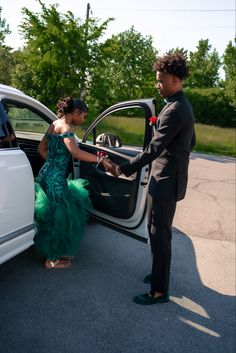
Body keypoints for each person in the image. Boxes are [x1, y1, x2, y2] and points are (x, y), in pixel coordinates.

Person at [105, 53, 196, 304]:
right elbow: (191, 141)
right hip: (165, 178)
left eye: (161, 80)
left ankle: (159, 291)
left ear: (176, 80)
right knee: (156, 232)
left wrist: (122, 169)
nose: (157, 84)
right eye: (157, 80)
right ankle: (159, 274)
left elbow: (153, 150)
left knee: (160, 235)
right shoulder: (180, 105)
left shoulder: (175, 109)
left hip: (166, 181)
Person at [34, 96, 110, 269]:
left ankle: (51, 253)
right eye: (83, 115)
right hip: (55, 179)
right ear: (75, 112)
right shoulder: (66, 128)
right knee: (60, 216)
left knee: (53, 213)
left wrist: (53, 164)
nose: (84, 119)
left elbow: (41, 149)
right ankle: (51, 260)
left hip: (45, 173)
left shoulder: (54, 124)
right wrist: (100, 159)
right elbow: (76, 153)